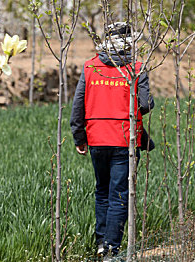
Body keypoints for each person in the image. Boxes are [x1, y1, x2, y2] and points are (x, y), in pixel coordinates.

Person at [70, 21, 154, 259]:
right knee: (119, 194)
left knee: (102, 191)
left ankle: (101, 243)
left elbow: (78, 107)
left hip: (96, 138)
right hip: (124, 140)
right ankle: (111, 248)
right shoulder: (136, 68)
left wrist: (80, 137)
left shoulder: (90, 67)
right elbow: (146, 104)